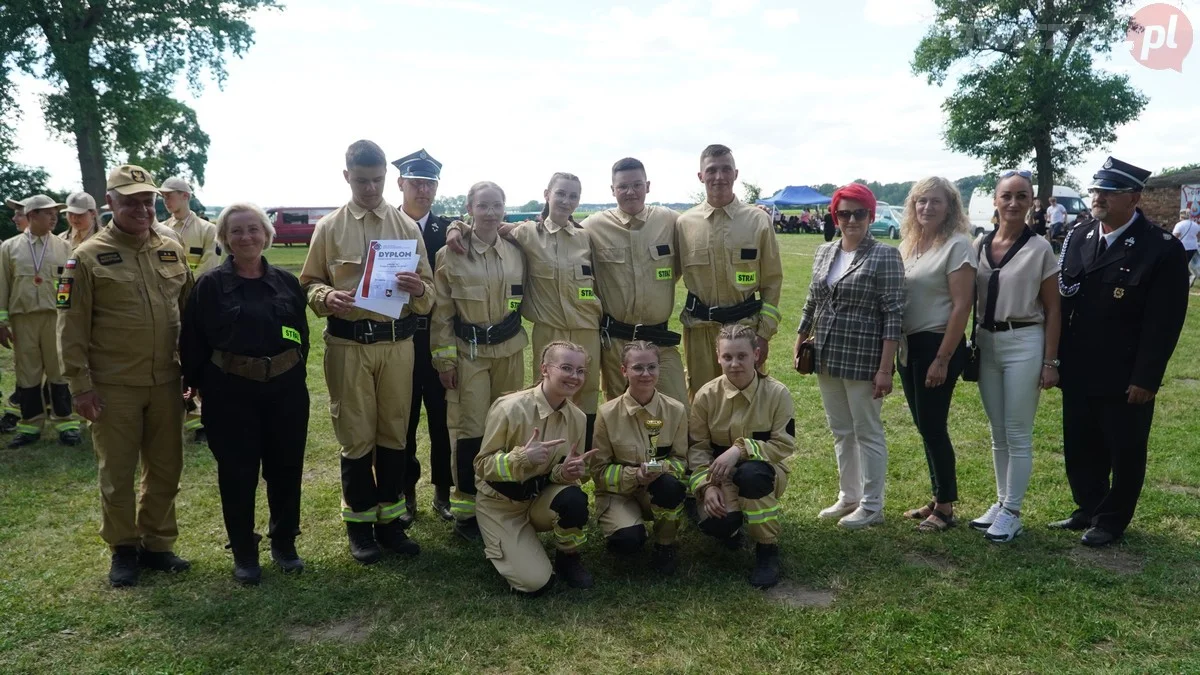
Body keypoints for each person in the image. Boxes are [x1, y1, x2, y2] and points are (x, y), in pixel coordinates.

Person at [57, 164, 194, 587]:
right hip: (114, 385)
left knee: (167, 467)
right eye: (130, 200)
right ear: (110, 204)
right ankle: (123, 548)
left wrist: (196, 371)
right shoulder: (85, 257)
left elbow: (189, 312)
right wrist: (80, 387)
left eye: (147, 199)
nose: (141, 207)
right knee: (117, 472)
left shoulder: (170, 247)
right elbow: (70, 326)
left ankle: (157, 543)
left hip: (167, 381)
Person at [299, 140, 433, 564]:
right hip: (348, 344)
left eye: (377, 181)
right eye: (362, 181)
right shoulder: (330, 227)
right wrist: (325, 297)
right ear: (347, 177)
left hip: (397, 343)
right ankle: (360, 526)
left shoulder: (407, 228)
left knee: (394, 433)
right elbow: (308, 284)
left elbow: (429, 295)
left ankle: (390, 523)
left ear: (387, 179)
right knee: (355, 436)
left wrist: (418, 289)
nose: (371, 189)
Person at [1052, 157, 1188, 547]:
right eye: (1095, 190)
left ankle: (1112, 519)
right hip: (1079, 366)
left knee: (1124, 447)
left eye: (1107, 192)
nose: (1097, 198)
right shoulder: (1080, 236)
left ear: (1133, 197)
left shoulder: (1160, 248)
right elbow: (1066, 303)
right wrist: (1056, 360)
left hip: (1124, 370)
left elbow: (1163, 324)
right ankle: (1088, 507)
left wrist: (1146, 377)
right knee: (1080, 443)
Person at [180, 202, 310, 585]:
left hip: (285, 391)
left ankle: (284, 543)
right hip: (230, 393)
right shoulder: (209, 285)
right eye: (236, 231)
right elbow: (193, 341)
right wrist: (196, 387)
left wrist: (291, 374)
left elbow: (301, 336)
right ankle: (244, 551)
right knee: (237, 474)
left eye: (253, 229)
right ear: (224, 239)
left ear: (266, 235)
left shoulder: (287, 283)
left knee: (286, 469)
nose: (246, 237)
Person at [447, 172, 602, 448]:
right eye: (560, 194)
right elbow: (486, 226)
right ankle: (546, 459)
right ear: (547, 195)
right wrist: (455, 227)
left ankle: (579, 460)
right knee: (546, 396)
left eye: (573, 195)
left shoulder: (586, 238)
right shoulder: (526, 233)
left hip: (586, 328)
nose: (566, 201)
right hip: (549, 330)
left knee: (587, 394)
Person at [796, 183, 904, 530]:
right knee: (841, 430)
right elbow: (812, 301)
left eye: (860, 213)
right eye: (845, 213)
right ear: (835, 216)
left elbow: (893, 314)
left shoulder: (885, 255)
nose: (852, 219)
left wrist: (885, 368)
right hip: (827, 353)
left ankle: (873, 505)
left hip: (863, 357)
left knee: (867, 430)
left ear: (871, 215)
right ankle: (849, 496)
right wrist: (800, 339)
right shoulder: (824, 252)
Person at [967, 171, 1061, 543]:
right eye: (1007, 196)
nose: (1014, 203)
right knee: (998, 431)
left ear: (1032, 202)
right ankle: (1002, 501)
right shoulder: (979, 243)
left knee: (1018, 430)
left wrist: (1050, 361)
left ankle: (1014, 511)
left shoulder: (1040, 248)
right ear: (995, 200)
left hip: (1024, 339)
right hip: (987, 342)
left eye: (1022, 196)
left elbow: (1054, 309)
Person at [431, 181, 527, 542]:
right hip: (468, 353)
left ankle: (504, 500)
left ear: (505, 209)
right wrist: (445, 363)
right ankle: (466, 511)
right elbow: (441, 314)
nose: (490, 212)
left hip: (510, 350)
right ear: (469, 209)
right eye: (482, 206)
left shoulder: (518, 251)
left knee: (510, 426)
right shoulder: (450, 253)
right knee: (469, 430)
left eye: (497, 205)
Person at [473, 341, 597, 595]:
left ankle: (568, 558)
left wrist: (566, 472)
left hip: (539, 499)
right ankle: (510, 543)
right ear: (544, 369)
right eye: (566, 368)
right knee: (535, 584)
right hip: (502, 504)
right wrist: (521, 458)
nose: (574, 377)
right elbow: (481, 465)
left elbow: (556, 474)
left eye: (580, 371)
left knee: (573, 498)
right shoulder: (509, 408)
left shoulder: (578, 418)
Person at [896, 176, 976, 532]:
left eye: (935, 202)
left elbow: (962, 306)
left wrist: (942, 359)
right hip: (907, 346)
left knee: (932, 424)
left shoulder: (958, 246)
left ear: (950, 208)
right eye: (920, 201)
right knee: (923, 425)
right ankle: (937, 494)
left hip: (937, 344)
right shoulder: (908, 245)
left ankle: (944, 507)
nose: (926, 208)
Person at [689, 324, 795, 588]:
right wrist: (706, 487)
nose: (734, 364)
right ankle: (728, 524)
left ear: (756, 355)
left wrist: (741, 449)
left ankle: (767, 550)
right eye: (727, 357)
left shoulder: (777, 393)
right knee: (717, 525)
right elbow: (697, 448)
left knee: (752, 475)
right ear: (718, 357)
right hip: (717, 476)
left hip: (761, 471)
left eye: (742, 356)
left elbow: (783, 445)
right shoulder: (705, 396)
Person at [677, 145, 783, 399]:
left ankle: (746, 442)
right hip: (701, 330)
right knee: (703, 399)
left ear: (736, 174)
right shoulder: (683, 224)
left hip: (745, 331)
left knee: (747, 399)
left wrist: (763, 334)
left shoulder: (758, 221)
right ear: (700, 176)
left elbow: (772, 282)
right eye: (711, 170)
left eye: (726, 169)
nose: (719, 176)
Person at [579, 157, 686, 407]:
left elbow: (701, 228)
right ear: (612, 190)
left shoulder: (671, 221)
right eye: (623, 187)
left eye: (637, 185)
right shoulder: (592, 227)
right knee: (619, 411)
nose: (630, 192)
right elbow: (558, 237)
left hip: (658, 337)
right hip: (616, 340)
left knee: (675, 405)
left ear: (648, 186)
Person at [393, 149, 454, 526]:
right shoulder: (385, 226)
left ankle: (443, 493)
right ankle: (406, 491)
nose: (424, 190)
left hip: (440, 338)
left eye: (430, 183)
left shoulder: (449, 228)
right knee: (404, 420)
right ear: (400, 184)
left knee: (444, 420)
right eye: (416, 182)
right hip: (397, 339)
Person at [589, 341, 688, 573]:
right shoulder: (607, 414)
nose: (646, 374)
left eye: (652, 367)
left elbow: (681, 462)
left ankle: (665, 544)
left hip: (655, 490)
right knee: (628, 541)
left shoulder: (676, 410)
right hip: (618, 494)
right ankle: (626, 528)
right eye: (637, 368)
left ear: (659, 369)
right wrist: (635, 474)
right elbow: (599, 471)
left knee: (671, 486)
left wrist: (659, 470)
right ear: (624, 370)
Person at [0, 194, 81, 447]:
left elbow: (69, 284)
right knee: (28, 374)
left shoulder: (64, 247)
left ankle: (67, 423)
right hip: (23, 320)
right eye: (48, 213)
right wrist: (2, 323)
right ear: (32, 215)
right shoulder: (9, 248)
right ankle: (30, 426)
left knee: (60, 371)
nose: (54, 217)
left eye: (55, 213)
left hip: (55, 319)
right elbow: (2, 285)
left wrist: (70, 318)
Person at [160, 176, 219, 443]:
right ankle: (186, 413)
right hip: (168, 305)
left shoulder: (208, 230)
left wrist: (189, 293)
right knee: (174, 360)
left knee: (199, 358)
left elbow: (210, 265)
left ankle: (208, 417)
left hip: (198, 305)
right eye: (163, 196)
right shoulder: (159, 230)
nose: (166, 200)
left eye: (171, 195)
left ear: (186, 196)